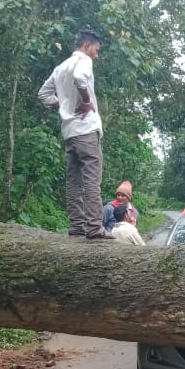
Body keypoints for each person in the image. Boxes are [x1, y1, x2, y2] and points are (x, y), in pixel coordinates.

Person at [38, 29, 112, 240]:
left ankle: (76, 226)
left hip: (69, 133)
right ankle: (95, 227)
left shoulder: (60, 68)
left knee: (73, 181)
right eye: (96, 51)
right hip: (87, 130)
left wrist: (63, 105)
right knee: (91, 180)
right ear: (87, 46)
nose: (96, 55)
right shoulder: (84, 61)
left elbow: (43, 94)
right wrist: (86, 101)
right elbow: (80, 79)